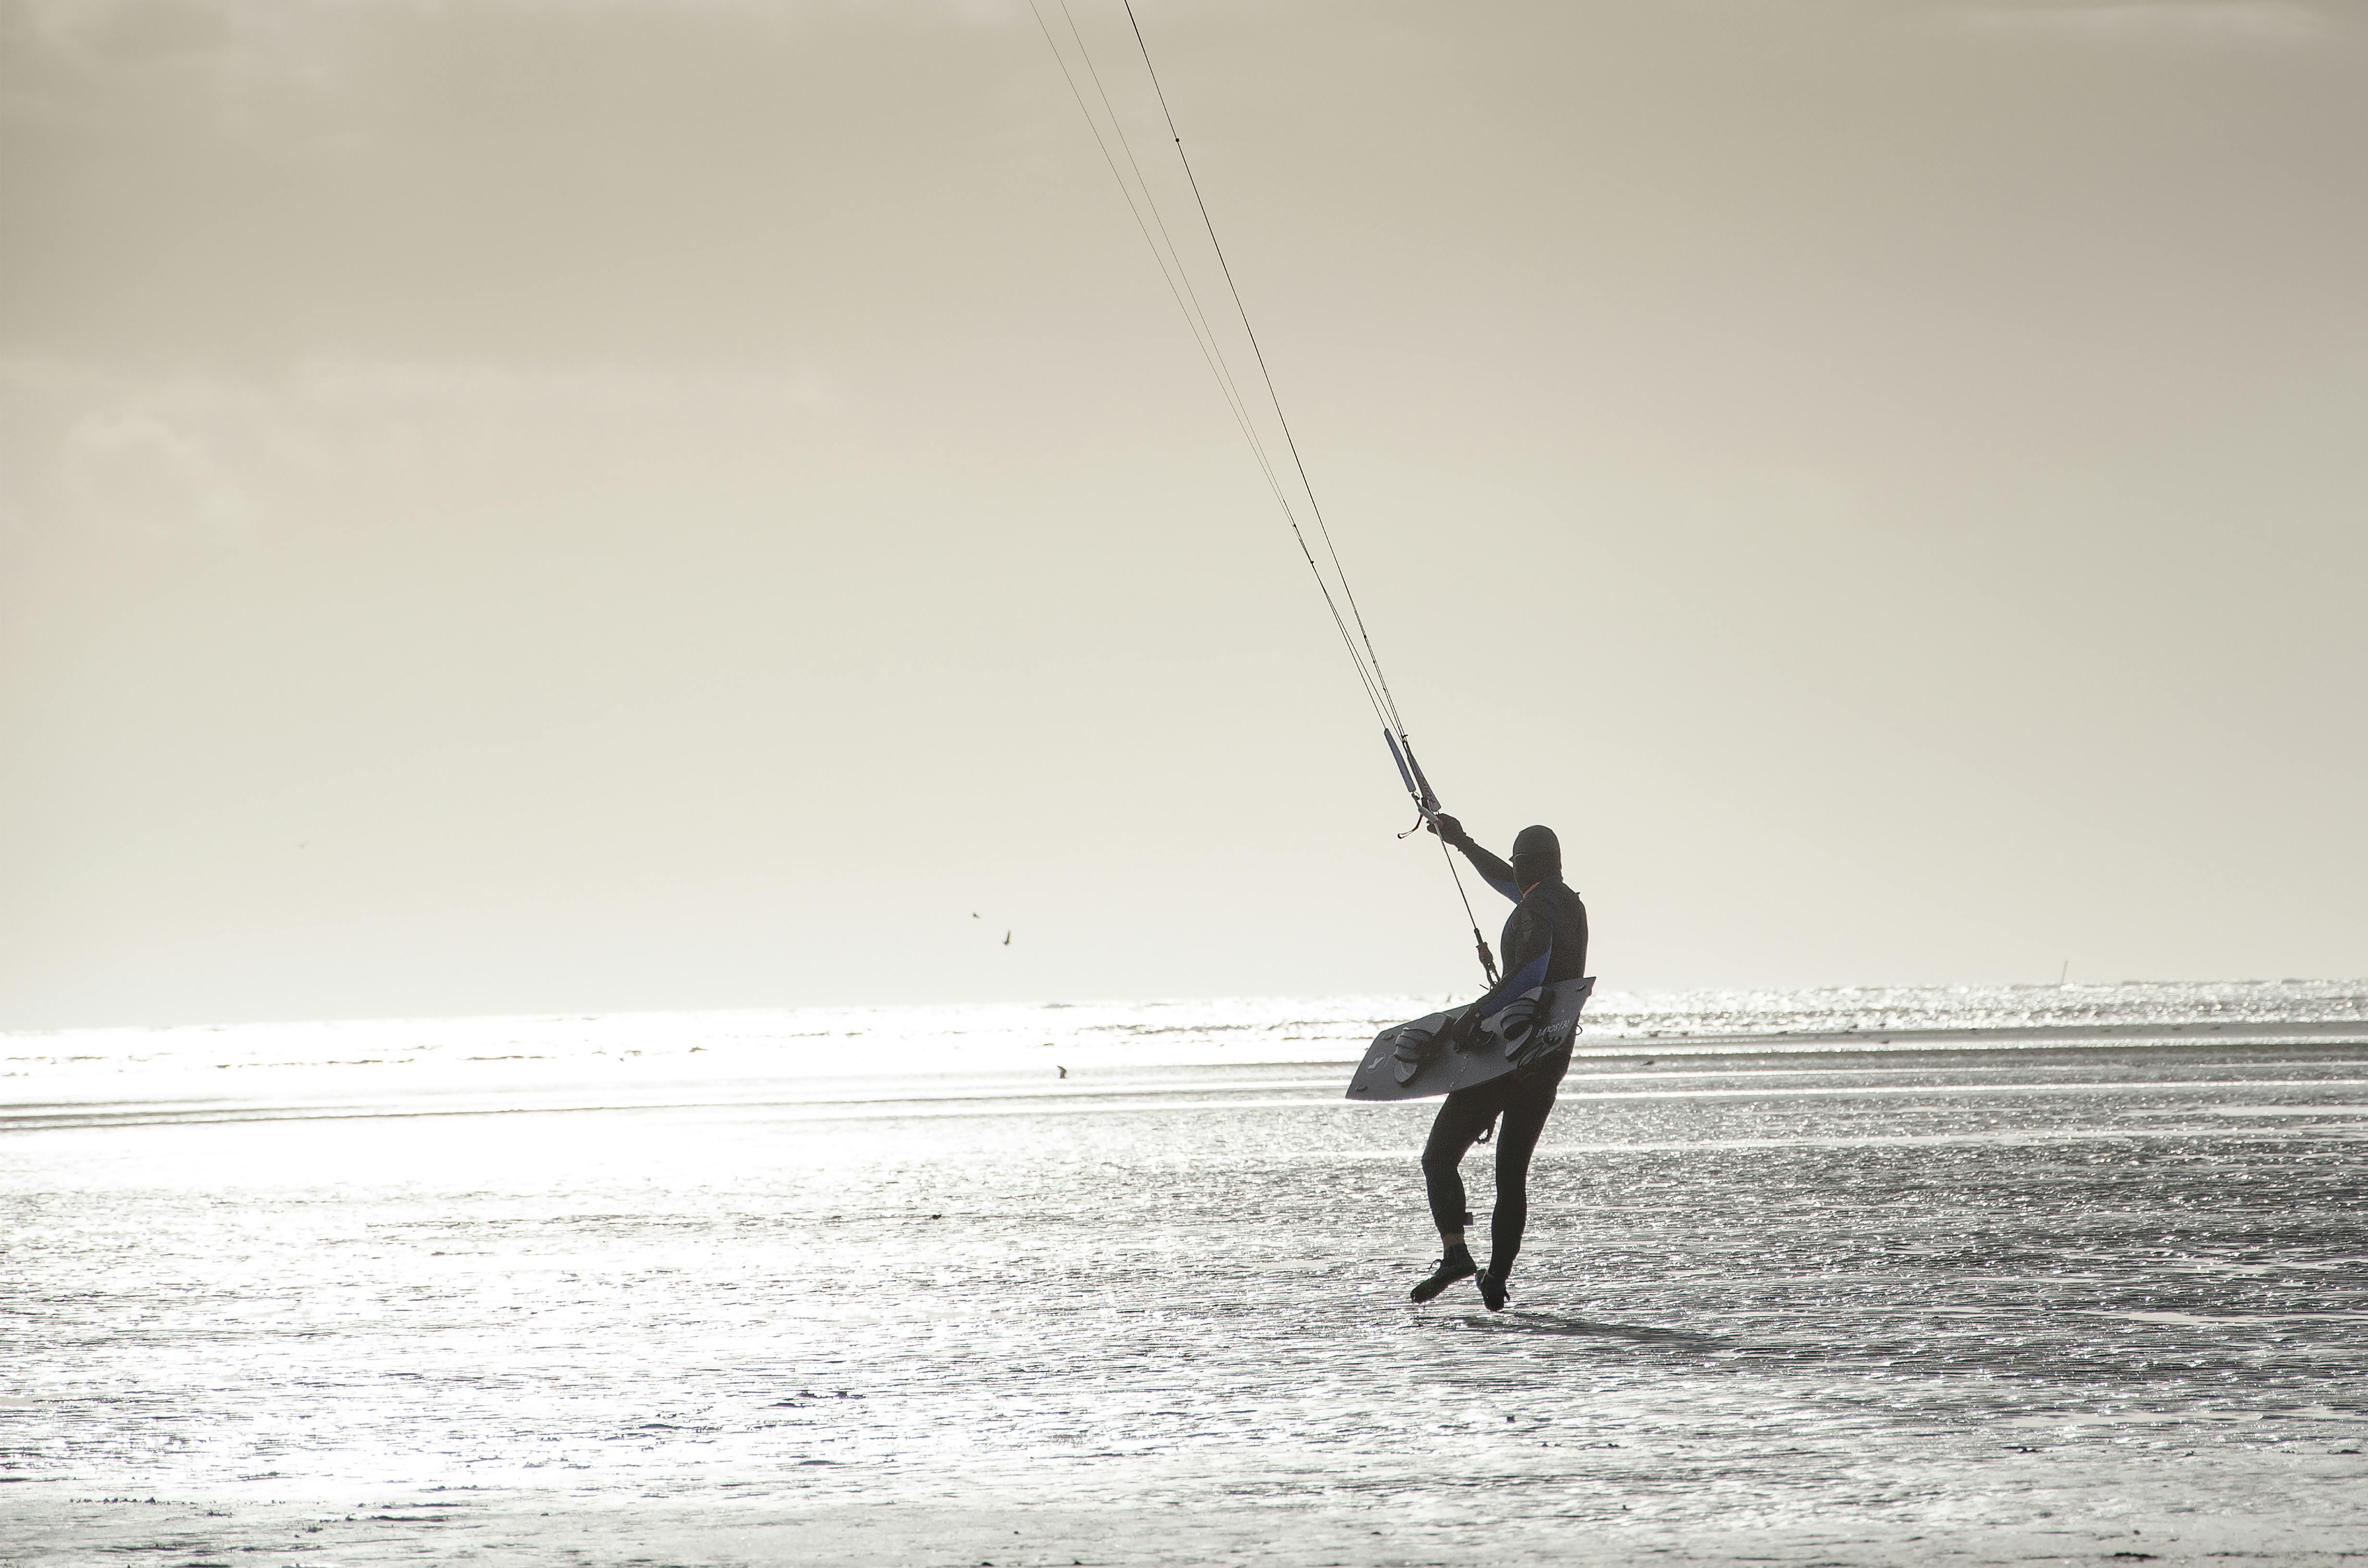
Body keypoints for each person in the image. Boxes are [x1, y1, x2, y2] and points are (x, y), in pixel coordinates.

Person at [1407, 815, 1588, 1311]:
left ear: (1526, 865)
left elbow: (1529, 972)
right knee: (1511, 1174)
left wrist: (1475, 1016)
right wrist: (1463, 844)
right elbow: (1508, 883)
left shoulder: (1536, 909)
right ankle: (1497, 1279)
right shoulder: (1564, 903)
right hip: (1550, 1059)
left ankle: (1455, 1255)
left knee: (1438, 1158)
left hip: (1507, 1056)